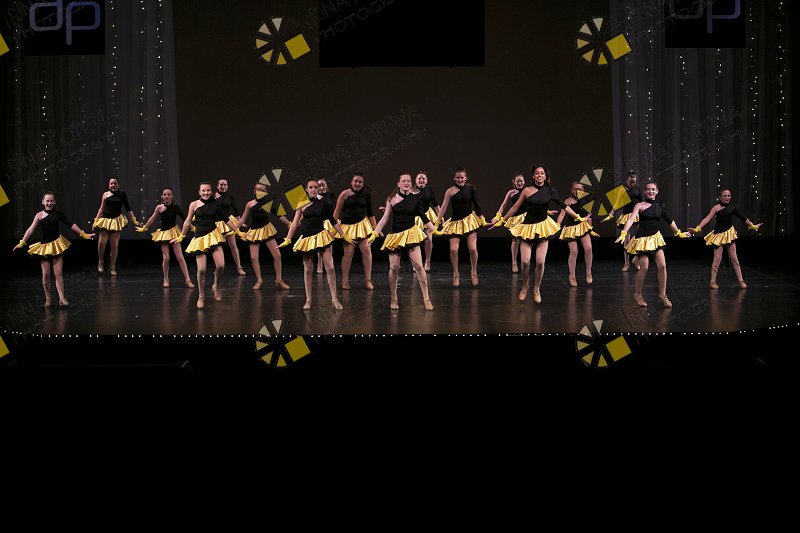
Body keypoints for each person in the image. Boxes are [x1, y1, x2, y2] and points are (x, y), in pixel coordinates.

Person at [494, 164, 588, 303]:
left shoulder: (550, 190)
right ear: (533, 176)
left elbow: (564, 206)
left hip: (543, 228)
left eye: (542, 173)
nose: (539, 175)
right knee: (525, 261)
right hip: (527, 228)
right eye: (537, 173)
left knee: (540, 262)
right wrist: (502, 220)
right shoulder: (527, 190)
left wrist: (577, 217)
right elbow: (514, 208)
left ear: (545, 176)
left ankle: (536, 289)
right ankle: (525, 286)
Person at [279, 178, 351, 311]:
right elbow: (294, 223)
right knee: (308, 270)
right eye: (310, 187)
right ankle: (308, 300)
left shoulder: (323, 202)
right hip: (307, 239)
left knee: (330, 267)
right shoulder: (301, 203)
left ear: (318, 189)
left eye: (315, 187)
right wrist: (288, 239)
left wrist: (343, 234)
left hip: (321, 237)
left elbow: (332, 220)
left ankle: (334, 299)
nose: (313, 189)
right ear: (306, 189)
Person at [616, 181, 691, 308]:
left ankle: (663, 295)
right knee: (644, 267)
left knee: (662, 266)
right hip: (642, 239)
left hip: (655, 238)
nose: (650, 191)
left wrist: (678, 232)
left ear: (657, 191)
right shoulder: (639, 205)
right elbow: (631, 219)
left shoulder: (660, 205)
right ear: (645, 192)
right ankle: (638, 294)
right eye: (648, 189)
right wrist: (624, 233)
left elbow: (669, 220)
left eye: (653, 189)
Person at [13, 192, 95, 308]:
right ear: (43, 202)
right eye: (47, 201)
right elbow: (30, 229)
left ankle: (62, 298)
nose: (49, 203)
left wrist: (83, 234)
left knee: (58, 273)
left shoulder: (58, 214)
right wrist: (22, 242)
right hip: (45, 247)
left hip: (56, 245)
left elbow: (70, 224)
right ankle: (48, 299)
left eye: (51, 201)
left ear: (54, 202)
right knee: (46, 274)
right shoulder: (39, 215)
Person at [369, 172, 436, 310]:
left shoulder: (415, 198)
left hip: (411, 234)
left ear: (411, 184)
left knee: (419, 266)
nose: (406, 183)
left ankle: (426, 298)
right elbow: (385, 218)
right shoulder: (392, 199)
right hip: (396, 235)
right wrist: (375, 233)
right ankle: (394, 298)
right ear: (398, 184)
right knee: (393, 268)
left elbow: (423, 217)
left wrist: (435, 230)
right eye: (403, 181)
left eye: (408, 181)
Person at [172, 181, 238, 309]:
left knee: (221, 265)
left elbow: (226, 219)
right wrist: (181, 236)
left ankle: (216, 287)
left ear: (211, 191)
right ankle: (201, 296)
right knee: (201, 270)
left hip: (213, 236)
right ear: (199, 192)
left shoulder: (215, 204)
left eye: (208, 190)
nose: (206, 193)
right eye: (203, 190)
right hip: (200, 239)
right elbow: (187, 222)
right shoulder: (194, 204)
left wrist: (238, 231)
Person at [690, 188, 761, 289]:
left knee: (734, 259)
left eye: (729, 196)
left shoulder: (732, 207)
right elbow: (707, 218)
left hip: (729, 234)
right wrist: (697, 228)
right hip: (719, 236)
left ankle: (741, 281)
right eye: (725, 196)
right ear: (720, 197)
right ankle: (712, 282)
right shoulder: (716, 208)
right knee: (717, 260)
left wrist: (752, 225)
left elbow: (742, 217)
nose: (727, 197)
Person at [435, 167, 487, 287]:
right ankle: (456, 274)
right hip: (455, 223)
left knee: (472, 249)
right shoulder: (450, 191)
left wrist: (482, 218)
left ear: (466, 178)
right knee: (453, 250)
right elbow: (443, 207)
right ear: (454, 178)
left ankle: (474, 271)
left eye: (462, 177)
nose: (460, 180)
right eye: (458, 178)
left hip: (469, 221)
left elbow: (477, 204)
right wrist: (437, 223)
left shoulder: (471, 189)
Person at [237, 180, 292, 290]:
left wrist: (289, 223)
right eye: (257, 190)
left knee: (277, 255)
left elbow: (278, 215)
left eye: (262, 190)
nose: (259, 192)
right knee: (253, 257)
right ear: (254, 191)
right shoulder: (250, 204)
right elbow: (242, 219)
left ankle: (279, 279)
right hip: (254, 232)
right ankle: (259, 280)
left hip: (266, 229)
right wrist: (235, 229)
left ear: (266, 192)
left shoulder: (268, 203)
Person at [136, 187, 195, 288]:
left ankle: (187, 280)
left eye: (169, 194)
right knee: (166, 258)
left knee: (180, 257)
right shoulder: (159, 207)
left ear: (172, 196)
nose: (167, 196)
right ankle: (166, 279)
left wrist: (192, 227)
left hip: (174, 233)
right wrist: (145, 228)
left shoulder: (175, 207)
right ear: (162, 196)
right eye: (165, 194)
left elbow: (185, 218)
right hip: (164, 234)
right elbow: (152, 218)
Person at [333, 172, 377, 290]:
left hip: (362, 226)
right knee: (348, 253)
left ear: (363, 183)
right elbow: (337, 212)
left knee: (367, 250)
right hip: (347, 227)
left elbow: (370, 212)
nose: (357, 184)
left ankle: (368, 280)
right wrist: (332, 229)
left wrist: (376, 229)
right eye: (355, 181)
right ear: (351, 182)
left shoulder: (366, 194)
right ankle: (345, 281)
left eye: (360, 182)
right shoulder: (345, 194)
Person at [93, 176, 140, 275]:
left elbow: (128, 208)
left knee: (114, 245)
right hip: (105, 221)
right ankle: (100, 261)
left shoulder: (122, 195)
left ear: (118, 185)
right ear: (109, 185)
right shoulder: (105, 194)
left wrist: (133, 220)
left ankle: (112, 266)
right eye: (111, 183)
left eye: (115, 183)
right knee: (101, 243)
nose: (113, 185)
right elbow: (101, 208)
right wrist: (96, 220)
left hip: (116, 221)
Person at [556, 182, 596, 286]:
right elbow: (562, 214)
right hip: (571, 229)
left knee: (588, 248)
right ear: (571, 190)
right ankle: (572, 275)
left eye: (580, 189)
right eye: (575, 189)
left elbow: (589, 216)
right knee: (574, 251)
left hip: (582, 227)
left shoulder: (586, 200)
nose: (577, 191)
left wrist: (591, 229)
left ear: (583, 191)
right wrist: (557, 225)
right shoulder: (568, 201)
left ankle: (588, 273)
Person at [603, 170, 644, 271]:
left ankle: (637, 261)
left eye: (634, 182)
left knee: (639, 238)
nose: (632, 184)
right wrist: (611, 214)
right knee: (626, 239)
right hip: (627, 215)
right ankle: (626, 264)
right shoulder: (622, 190)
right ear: (626, 180)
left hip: (637, 215)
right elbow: (617, 203)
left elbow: (642, 202)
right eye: (631, 182)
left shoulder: (638, 188)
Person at [491, 174, 527, 273]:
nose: (519, 183)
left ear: (524, 181)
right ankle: (514, 263)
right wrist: (497, 216)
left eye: (521, 181)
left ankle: (525, 261)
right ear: (514, 182)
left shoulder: (527, 190)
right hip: (515, 219)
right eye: (517, 181)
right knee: (515, 240)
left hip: (526, 217)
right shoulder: (511, 192)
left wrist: (546, 212)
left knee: (526, 240)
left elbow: (534, 204)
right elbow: (503, 205)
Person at [214, 178, 246, 276]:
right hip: (217, 223)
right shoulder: (213, 196)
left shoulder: (230, 196)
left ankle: (239, 267)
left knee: (233, 245)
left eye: (225, 185)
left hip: (228, 222)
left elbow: (236, 210)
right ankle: (218, 268)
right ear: (217, 186)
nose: (223, 186)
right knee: (217, 247)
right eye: (221, 185)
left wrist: (239, 223)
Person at [411, 171, 440, 271]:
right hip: (415, 217)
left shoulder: (429, 190)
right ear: (416, 181)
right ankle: (415, 262)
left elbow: (435, 203)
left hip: (426, 216)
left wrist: (440, 215)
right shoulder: (411, 191)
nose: (421, 180)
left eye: (423, 178)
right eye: (419, 178)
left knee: (428, 239)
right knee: (415, 241)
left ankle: (427, 261)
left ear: (426, 181)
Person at [315, 177, 336, 274]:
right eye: (319, 186)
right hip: (320, 221)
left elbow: (335, 208)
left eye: (323, 185)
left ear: (326, 186)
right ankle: (319, 263)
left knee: (330, 243)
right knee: (320, 243)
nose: (321, 187)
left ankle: (329, 262)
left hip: (329, 222)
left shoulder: (330, 196)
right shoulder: (315, 197)